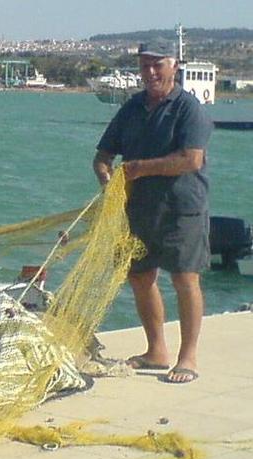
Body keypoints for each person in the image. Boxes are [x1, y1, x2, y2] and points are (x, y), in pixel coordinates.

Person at [92, 41, 214, 384]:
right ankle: (156, 351)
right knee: (140, 278)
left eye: (157, 65)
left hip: (182, 208)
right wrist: (107, 182)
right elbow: (102, 156)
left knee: (185, 278)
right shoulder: (131, 108)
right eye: (144, 66)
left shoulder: (189, 108)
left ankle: (187, 357)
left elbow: (191, 159)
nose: (150, 73)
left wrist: (139, 169)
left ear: (174, 67)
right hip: (137, 211)